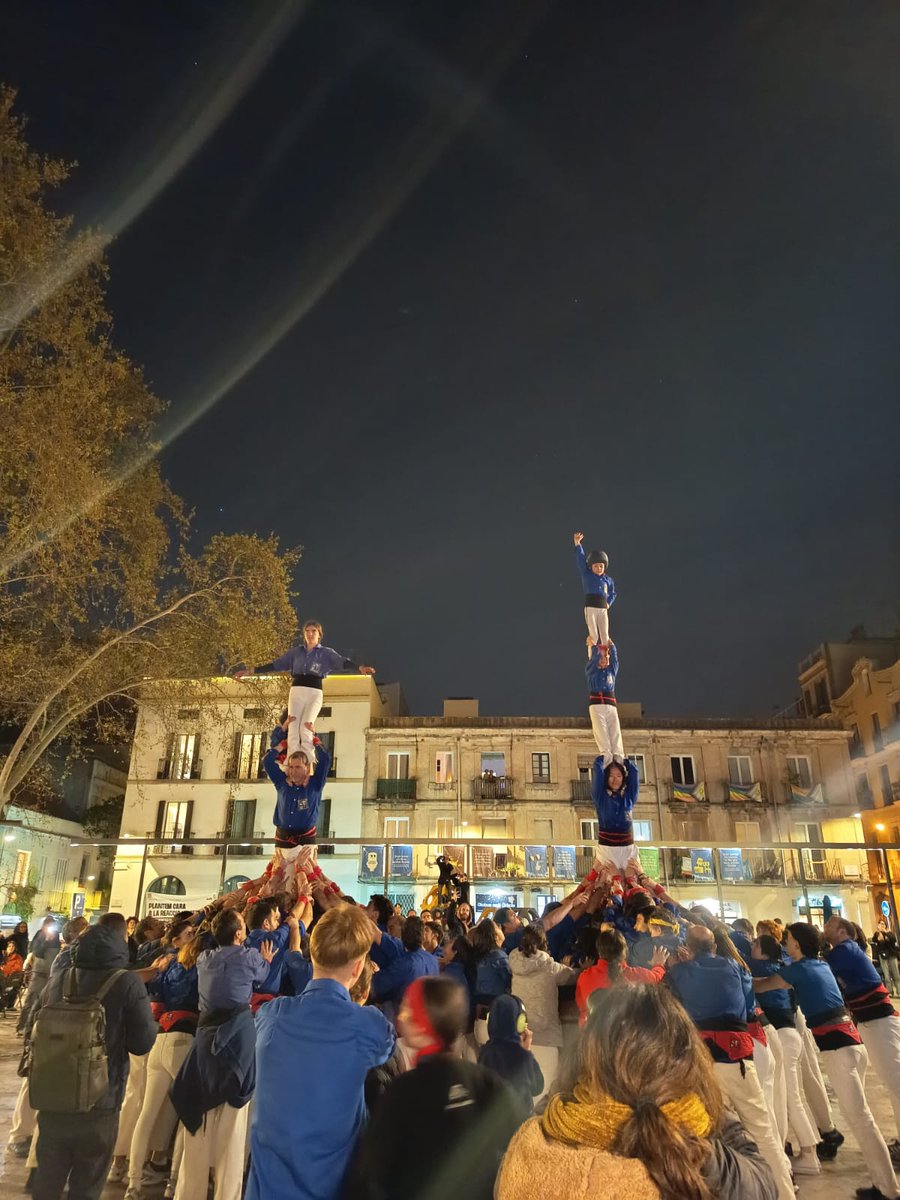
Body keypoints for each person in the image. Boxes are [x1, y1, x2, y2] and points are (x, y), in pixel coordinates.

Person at [496, 983, 777, 1200]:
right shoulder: (700, 1146)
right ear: (682, 1057)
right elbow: (762, 1182)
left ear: (588, 1055)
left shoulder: (534, 1143)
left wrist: (571, 1083)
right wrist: (698, 1102)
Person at [246, 906, 395, 1200]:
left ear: (313, 956)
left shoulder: (271, 1015)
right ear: (357, 968)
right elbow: (386, 1045)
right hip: (331, 1187)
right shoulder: (368, 1025)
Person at [340, 976, 523, 1200]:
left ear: (422, 1027)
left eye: (408, 1010)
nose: (401, 1016)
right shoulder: (483, 1081)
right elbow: (523, 1137)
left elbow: (369, 1175)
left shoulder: (403, 1091)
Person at [754, 921, 899, 1200]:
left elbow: (763, 987)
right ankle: (884, 1184)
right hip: (853, 1043)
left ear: (796, 944)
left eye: (788, 939)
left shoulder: (798, 969)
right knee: (863, 1118)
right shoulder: (819, 965)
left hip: (838, 1048)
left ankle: (889, 1189)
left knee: (861, 1121)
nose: (785, 942)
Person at [31, 914, 158, 1200]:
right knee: (87, 1185)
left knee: (47, 1183)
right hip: (101, 1099)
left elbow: (35, 1027)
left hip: (53, 1096)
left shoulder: (62, 977)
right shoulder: (127, 982)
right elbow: (141, 1043)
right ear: (121, 944)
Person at [666, 926, 794, 1200]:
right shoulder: (735, 968)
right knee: (762, 1131)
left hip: (704, 1064)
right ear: (713, 946)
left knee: (713, 1135)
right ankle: (784, 1192)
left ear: (688, 946)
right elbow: (748, 999)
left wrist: (676, 966)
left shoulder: (681, 971)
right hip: (739, 1059)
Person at [171, 909, 272, 1200]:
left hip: (204, 1041)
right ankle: (226, 1193)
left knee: (198, 1122)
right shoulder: (249, 956)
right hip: (237, 1041)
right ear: (240, 934)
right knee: (232, 1126)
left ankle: (189, 1191)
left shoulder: (204, 959)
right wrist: (266, 960)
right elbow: (263, 975)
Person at [125, 918, 201, 1199]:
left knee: (148, 1113)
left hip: (160, 1038)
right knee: (186, 1115)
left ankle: (133, 1182)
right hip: (182, 1040)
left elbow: (141, 983)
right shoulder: (194, 967)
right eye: (189, 934)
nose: (194, 936)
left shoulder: (164, 966)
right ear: (177, 940)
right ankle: (173, 1181)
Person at [233, 620, 375, 763]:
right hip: (297, 690)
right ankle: (292, 762)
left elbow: (342, 661)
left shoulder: (326, 653)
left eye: (314, 631)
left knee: (306, 726)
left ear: (319, 634)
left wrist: (359, 668)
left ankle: (308, 762)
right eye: (307, 631)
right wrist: (251, 671)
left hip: (315, 691)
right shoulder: (296, 652)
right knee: (294, 727)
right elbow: (277, 664)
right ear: (304, 635)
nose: (310, 634)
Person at [825, 914, 900, 1162]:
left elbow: (823, 966)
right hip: (873, 1022)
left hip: (880, 1022)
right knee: (893, 1084)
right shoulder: (845, 950)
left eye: (830, 926)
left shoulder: (845, 950)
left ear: (844, 932)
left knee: (897, 1082)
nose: (825, 929)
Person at [748, 934, 821, 1174]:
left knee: (790, 1097)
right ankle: (805, 1149)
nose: (752, 947)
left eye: (756, 945)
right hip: (791, 1034)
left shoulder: (759, 967)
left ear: (766, 952)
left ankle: (809, 1153)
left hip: (780, 1035)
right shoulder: (781, 968)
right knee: (793, 1094)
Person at [508, 925, 578, 1097]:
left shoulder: (514, 965)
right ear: (543, 943)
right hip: (547, 1037)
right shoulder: (549, 966)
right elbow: (572, 976)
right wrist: (581, 967)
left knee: (524, 1090)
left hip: (521, 1036)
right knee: (546, 1091)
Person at [264, 716, 331, 848]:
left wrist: (315, 738)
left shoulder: (315, 784)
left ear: (306, 768)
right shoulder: (282, 783)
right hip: (282, 839)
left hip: (306, 840)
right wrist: (280, 746)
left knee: (305, 870)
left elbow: (325, 760)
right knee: (280, 870)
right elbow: (267, 762)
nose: (294, 771)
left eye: (298, 767)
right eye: (291, 767)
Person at [576, 929, 667, 1025]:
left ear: (599, 952)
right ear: (624, 952)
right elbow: (656, 977)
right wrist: (659, 964)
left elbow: (582, 1007)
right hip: (623, 1034)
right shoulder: (633, 975)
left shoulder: (584, 977)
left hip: (591, 1033)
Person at [478, 994, 544, 1118]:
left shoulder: (485, 1052)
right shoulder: (522, 1055)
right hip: (520, 1125)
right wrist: (527, 1051)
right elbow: (538, 1087)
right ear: (519, 1023)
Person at [369, 915, 440, 1007]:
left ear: (403, 935)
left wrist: (375, 972)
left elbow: (378, 986)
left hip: (406, 1014)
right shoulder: (433, 960)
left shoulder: (405, 963)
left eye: (391, 928)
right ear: (423, 935)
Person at [591, 756, 640, 882]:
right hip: (608, 847)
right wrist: (604, 758)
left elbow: (634, 774)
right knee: (609, 882)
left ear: (623, 778)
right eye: (611, 776)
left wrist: (624, 761)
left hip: (627, 847)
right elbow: (597, 771)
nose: (615, 780)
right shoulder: (600, 797)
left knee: (631, 881)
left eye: (619, 776)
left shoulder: (629, 798)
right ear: (606, 778)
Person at [573, 531, 616, 660]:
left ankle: (604, 658)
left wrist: (609, 602)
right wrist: (577, 544)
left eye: (601, 566)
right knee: (594, 636)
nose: (598, 568)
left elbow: (613, 592)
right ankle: (592, 658)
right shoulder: (587, 575)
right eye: (596, 566)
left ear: (605, 567)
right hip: (591, 607)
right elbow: (581, 560)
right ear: (591, 566)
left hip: (603, 609)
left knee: (605, 636)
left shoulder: (608, 580)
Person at [471, 918, 512, 1044]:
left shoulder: (476, 957)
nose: (501, 929)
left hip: (478, 1019)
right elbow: (510, 980)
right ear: (495, 936)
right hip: (494, 1017)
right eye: (498, 928)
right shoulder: (499, 958)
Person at [18, 915, 60, 1033]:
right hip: (39, 971)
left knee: (46, 1001)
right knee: (32, 999)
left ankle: (36, 1027)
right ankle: (22, 1026)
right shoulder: (40, 934)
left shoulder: (56, 935)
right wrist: (45, 940)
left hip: (51, 972)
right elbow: (36, 951)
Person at [586, 638, 624, 763]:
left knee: (616, 736)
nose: (604, 659)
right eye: (601, 657)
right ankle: (607, 763)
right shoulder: (592, 671)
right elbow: (594, 659)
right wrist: (593, 646)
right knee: (603, 738)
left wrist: (611, 645)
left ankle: (619, 763)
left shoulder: (611, 671)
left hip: (611, 706)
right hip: (596, 706)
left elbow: (615, 659)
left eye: (606, 657)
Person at [872, 920, 900, 996]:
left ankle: (899, 991)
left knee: (896, 974)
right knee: (887, 976)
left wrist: (885, 932)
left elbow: (893, 940)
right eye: (880, 924)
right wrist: (878, 933)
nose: (882, 925)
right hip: (883, 956)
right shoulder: (877, 934)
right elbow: (874, 940)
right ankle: (890, 992)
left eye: (883, 924)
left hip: (891, 955)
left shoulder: (889, 933)